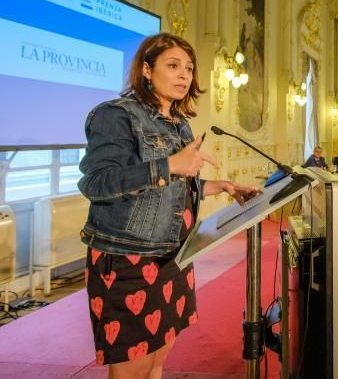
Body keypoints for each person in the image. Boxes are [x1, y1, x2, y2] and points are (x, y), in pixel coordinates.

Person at [78, 34, 261, 375]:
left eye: (189, 69)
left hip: (174, 254)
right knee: (135, 363)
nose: (184, 75)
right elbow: (96, 184)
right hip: (128, 258)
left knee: (161, 352)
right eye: (173, 66)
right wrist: (169, 165)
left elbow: (169, 190)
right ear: (146, 70)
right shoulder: (116, 116)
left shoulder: (179, 124)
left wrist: (218, 186)